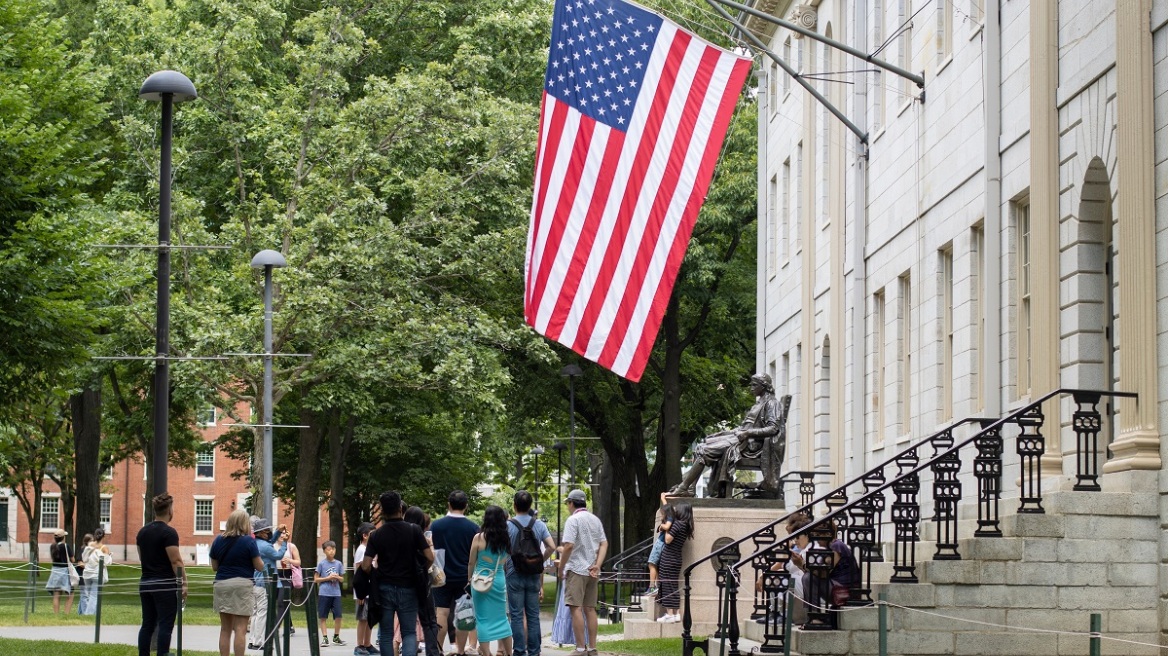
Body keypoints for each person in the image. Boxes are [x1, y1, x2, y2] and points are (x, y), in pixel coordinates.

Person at [668, 374, 784, 498]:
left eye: (754, 385)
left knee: (704, 450)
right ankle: (690, 489)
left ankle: (683, 487)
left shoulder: (772, 403)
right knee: (701, 445)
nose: (751, 387)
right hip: (741, 438)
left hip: (751, 445)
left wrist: (747, 433)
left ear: (764, 386)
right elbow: (744, 427)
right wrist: (724, 433)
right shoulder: (759, 403)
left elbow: (773, 428)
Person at [361, 491, 434, 656]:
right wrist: (421, 569)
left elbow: (366, 565)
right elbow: (429, 556)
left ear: (383, 512)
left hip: (384, 588)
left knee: (386, 633)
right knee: (409, 632)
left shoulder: (376, 535)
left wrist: (376, 572)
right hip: (409, 586)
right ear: (401, 508)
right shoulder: (414, 530)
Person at [557, 490, 607, 656]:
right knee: (590, 609)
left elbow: (569, 546)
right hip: (592, 570)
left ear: (571, 503)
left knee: (575, 608)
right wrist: (597, 565)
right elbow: (604, 543)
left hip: (576, 569)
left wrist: (561, 567)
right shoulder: (595, 520)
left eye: (567, 503)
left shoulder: (573, 520)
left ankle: (580, 648)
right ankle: (592, 648)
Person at [430, 490, 479, 655]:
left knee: (441, 612)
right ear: (466, 506)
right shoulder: (473, 528)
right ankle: (460, 650)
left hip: (440, 576)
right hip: (465, 577)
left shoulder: (436, 526)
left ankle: (437, 649)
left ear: (448, 504)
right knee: (464, 613)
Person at [137, 493, 187, 656]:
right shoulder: (169, 533)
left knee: (147, 624)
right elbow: (176, 561)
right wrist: (184, 583)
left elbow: (141, 557)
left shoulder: (142, 532)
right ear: (169, 510)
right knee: (166, 623)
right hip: (164, 585)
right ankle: (163, 653)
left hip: (145, 583)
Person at [210, 509, 264, 656]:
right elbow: (259, 566)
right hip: (243, 584)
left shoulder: (218, 540)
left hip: (222, 584)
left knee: (225, 629)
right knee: (240, 628)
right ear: (244, 524)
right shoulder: (249, 541)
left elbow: (215, 566)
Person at [506, 491, 554, 656]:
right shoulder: (539, 524)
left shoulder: (508, 525)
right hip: (533, 574)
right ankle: (534, 651)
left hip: (514, 573)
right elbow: (551, 546)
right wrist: (540, 560)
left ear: (514, 505)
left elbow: (503, 550)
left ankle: (519, 651)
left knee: (517, 615)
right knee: (533, 615)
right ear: (530, 506)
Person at [469, 505, 512, 656]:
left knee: (482, 619)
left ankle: (486, 653)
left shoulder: (479, 538)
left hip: (481, 581)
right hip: (499, 579)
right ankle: (509, 652)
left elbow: (471, 563)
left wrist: (469, 578)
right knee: (502, 618)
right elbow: (505, 560)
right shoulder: (506, 539)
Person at [799, 519, 859, 630]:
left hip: (845, 590)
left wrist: (802, 565)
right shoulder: (830, 547)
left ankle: (816, 617)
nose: (817, 539)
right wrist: (801, 565)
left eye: (818, 535)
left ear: (828, 534)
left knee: (808, 578)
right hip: (836, 586)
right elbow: (818, 573)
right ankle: (813, 616)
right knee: (807, 577)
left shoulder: (837, 546)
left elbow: (823, 574)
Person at [755, 512, 811, 626]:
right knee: (777, 576)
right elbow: (781, 563)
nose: (794, 539)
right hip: (799, 583)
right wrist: (763, 576)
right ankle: (775, 613)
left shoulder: (809, 549)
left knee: (783, 578)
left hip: (806, 585)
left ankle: (782, 614)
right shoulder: (795, 545)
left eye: (796, 536)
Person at [247, 517, 287, 650]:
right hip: (265, 584)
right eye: (266, 530)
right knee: (262, 613)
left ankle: (252, 640)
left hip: (255, 583)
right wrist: (285, 542)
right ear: (260, 533)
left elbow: (270, 541)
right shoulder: (265, 546)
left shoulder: (256, 543)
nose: (269, 532)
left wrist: (277, 531)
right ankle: (258, 642)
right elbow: (278, 555)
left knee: (255, 613)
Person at [404, 508, 440, 656]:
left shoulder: (401, 535)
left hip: (403, 582)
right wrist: (423, 569)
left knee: (406, 622)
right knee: (429, 620)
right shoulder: (420, 536)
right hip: (421, 583)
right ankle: (432, 651)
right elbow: (430, 558)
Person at [655, 501, 692, 623]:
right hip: (676, 558)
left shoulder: (677, 524)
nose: (675, 511)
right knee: (673, 585)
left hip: (668, 558)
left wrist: (666, 527)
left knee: (667, 585)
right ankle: (676, 614)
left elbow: (668, 540)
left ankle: (670, 614)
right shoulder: (686, 525)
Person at [353, 521, 379, 655]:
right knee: (362, 619)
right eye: (372, 534)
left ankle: (367, 643)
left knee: (369, 618)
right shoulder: (362, 550)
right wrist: (360, 593)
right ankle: (360, 645)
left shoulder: (370, 549)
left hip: (370, 590)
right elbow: (359, 572)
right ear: (365, 535)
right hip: (363, 591)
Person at [316, 540, 347, 648]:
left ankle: (336, 637)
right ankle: (325, 638)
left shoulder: (338, 563)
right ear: (324, 551)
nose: (331, 551)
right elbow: (316, 579)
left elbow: (342, 579)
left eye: (333, 549)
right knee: (323, 616)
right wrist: (327, 578)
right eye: (329, 549)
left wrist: (337, 577)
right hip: (324, 593)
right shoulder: (321, 564)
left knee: (338, 616)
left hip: (336, 593)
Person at [80, 528, 113, 615]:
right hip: (97, 574)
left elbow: (84, 558)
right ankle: (88, 613)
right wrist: (110, 556)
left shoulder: (90, 545)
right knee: (94, 596)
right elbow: (106, 562)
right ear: (104, 536)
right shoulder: (104, 548)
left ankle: (94, 613)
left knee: (90, 594)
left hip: (87, 573)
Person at [644, 495, 672, 596]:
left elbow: (667, 525)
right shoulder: (669, 513)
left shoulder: (669, 517)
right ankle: (656, 586)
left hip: (660, 544)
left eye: (662, 513)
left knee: (651, 564)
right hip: (661, 543)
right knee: (655, 565)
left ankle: (652, 587)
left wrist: (661, 526)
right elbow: (666, 506)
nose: (662, 515)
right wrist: (664, 497)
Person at [276, 533, 301, 636]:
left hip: (287, 576)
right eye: (280, 534)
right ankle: (289, 625)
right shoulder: (272, 546)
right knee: (281, 602)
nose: (282, 536)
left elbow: (298, 562)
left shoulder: (291, 546)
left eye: (284, 535)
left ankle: (275, 627)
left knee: (282, 601)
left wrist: (290, 560)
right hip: (275, 575)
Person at [45, 528, 74, 614]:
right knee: (70, 593)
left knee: (56, 594)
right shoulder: (65, 546)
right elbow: (72, 559)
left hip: (55, 571)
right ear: (63, 537)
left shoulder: (52, 546)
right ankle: (66, 613)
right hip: (64, 571)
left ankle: (56, 614)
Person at [76, 533, 93, 615]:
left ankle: (79, 612)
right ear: (87, 541)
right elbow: (80, 563)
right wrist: (89, 567)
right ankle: (85, 613)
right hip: (82, 576)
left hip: (87, 576)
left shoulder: (90, 551)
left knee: (84, 595)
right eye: (91, 541)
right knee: (85, 595)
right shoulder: (83, 550)